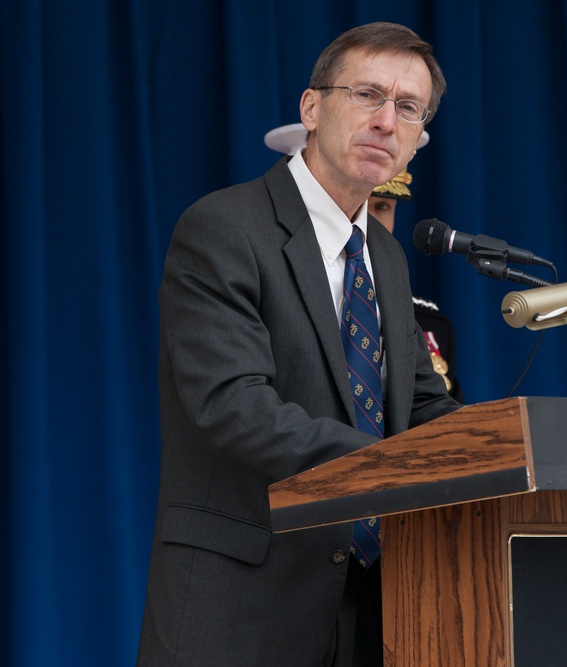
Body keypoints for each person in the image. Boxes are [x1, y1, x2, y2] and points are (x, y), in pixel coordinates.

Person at [137, 22, 458, 666]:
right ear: (311, 107)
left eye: (407, 108)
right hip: (240, 606)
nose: (385, 121)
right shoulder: (224, 228)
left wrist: (500, 447)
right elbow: (234, 407)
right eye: (367, 94)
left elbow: (422, 408)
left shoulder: (386, 258)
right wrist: (392, 468)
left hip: (370, 606)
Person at [265, 124, 463, 399]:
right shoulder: (260, 278)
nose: (364, 219)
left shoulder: (425, 319)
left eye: (381, 207)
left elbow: (432, 414)